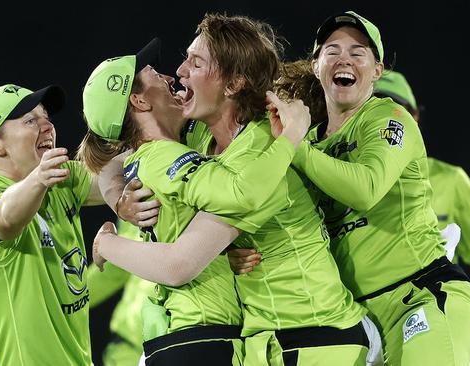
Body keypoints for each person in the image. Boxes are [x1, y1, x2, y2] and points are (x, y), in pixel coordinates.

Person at [99, 14, 382, 366]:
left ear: (233, 84)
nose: (180, 71)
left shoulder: (267, 147)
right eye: (187, 57)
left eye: (196, 61)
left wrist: (106, 243)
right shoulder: (200, 138)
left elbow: (183, 261)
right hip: (267, 342)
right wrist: (119, 199)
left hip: (318, 335)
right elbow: (111, 155)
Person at [230, 10, 470, 366]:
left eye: (357, 52)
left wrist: (293, 145)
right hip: (354, 321)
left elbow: (365, 189)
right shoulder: (309, 145)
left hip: (419, 296)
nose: (343, 59)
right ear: (316, 66)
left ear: (377, 71)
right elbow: (284, 223)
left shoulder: (389, 118)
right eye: (331, 51)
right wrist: (237, 253)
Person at [79, 35, 313, 365]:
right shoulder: (164, 157)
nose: (171, 76)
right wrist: (291, 136)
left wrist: (117, 198)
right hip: (198, 335)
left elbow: (110, 164)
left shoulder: (168, 148)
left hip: (192, 335)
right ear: (140, 102)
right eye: (155, 77)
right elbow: (239, 195)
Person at [373, 70, 470, 366]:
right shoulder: (339, 178)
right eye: (375, 107)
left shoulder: (449, 181)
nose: (388, 120)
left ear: (415, 116)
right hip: (360, 327)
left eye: (398, 110)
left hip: (424, 321)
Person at [0, 83, 109, 365]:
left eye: (46, 116)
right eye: (30, 120)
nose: (47, 125)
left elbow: (122, 178)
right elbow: (3, 218)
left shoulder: (60, 181)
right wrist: (38, 179)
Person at [87, 219, 153, 366]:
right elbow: (116, 269)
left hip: (167, 338)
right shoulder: (132, 202)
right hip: (130, 342)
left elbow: (114, 271)